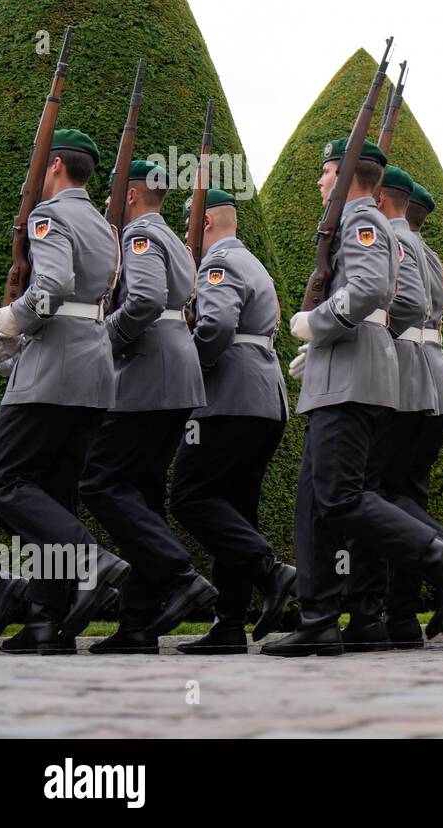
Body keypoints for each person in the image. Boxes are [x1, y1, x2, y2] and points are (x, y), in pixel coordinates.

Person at [265, 137, 443, 656]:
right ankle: (321, 616)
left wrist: (316, 324)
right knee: (315, 502)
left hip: (354, 371)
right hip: (343, 368)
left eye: (326, 172)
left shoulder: (361, 221)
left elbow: (369, 289)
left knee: (342, 496)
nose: (320, 181)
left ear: (346, 177)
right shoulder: (359, 223)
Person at [0, 129, 130, 654]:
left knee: (2, 477)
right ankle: (47, 622)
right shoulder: (103, 224)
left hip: (52, 370)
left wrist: (11, 320)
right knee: (54, 493)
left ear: (52, 166)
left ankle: (88, 557)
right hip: (93, 370)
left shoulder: (48, 216)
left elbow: (49, 290)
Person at [80, 159, 216, 654]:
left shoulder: (138, 235)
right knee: (142, 492)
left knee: (98, 480)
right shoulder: (172, 239)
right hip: (176, 373)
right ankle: (138, 624)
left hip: (146, 372)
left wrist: (106, 341)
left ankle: (179, 572)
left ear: (131, 195)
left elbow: (142, 300)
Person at [171, 189, 296, 654]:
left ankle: (270, 572)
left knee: (190, 496)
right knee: (234, 511)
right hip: (262, 401)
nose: (186, 234)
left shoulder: (217, 263)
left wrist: (190, 365)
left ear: (204, 224)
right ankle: (228, 625)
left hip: (228, 400)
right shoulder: (253, 261)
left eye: (187, 224)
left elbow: (217, 326)